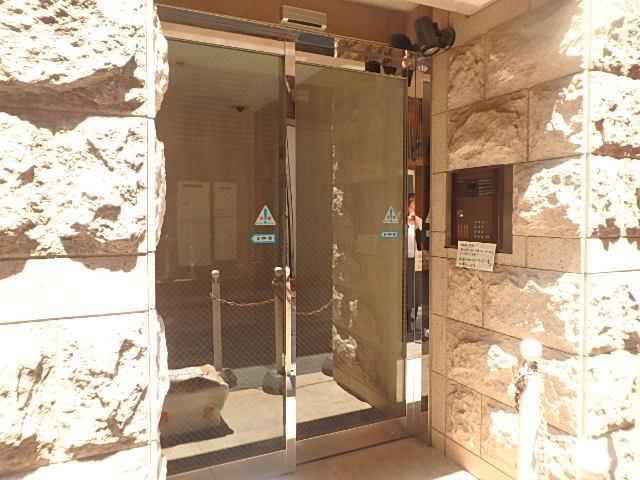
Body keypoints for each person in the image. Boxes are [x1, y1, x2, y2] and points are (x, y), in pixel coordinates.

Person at [406, 193, 422, 336]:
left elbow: (424, 240)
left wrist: (416, 223)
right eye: (411, 206)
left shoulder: (418, 221)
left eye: (415, 206)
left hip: (417, 260)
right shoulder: (401, 222)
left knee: (417, 293)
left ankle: (415, 322)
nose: (413, 209)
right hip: (406, 260)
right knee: (408, 292)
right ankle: (406, 324)